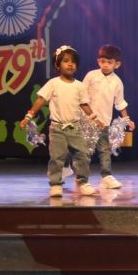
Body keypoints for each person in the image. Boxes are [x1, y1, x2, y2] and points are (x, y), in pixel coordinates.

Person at [19, 45, 99, 198]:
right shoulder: (53, 83)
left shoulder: (79, 85)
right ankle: (56, 184)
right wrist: (29, 116)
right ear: (57, 65)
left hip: (75, 128)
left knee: (82, 155)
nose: (70, 64)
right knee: (57, 158)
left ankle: (83, 182)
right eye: (66, 61)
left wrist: (95, 118)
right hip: (57, 129)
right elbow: (41, 100)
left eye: (73, 62)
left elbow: (84, 104)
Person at [82, 44, 135, 189]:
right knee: (83, 151)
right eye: (102, 61)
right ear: (98, 61)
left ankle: (106, 176)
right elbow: (82, 97)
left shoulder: (117, 82)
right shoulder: (91, 76)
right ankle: (81, 178)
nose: (105, 65)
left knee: (104, 150)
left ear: (117, 64)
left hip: (104, 122)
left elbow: (120, 103)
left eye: (109, 62)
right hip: (86, 121)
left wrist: (127, 120)